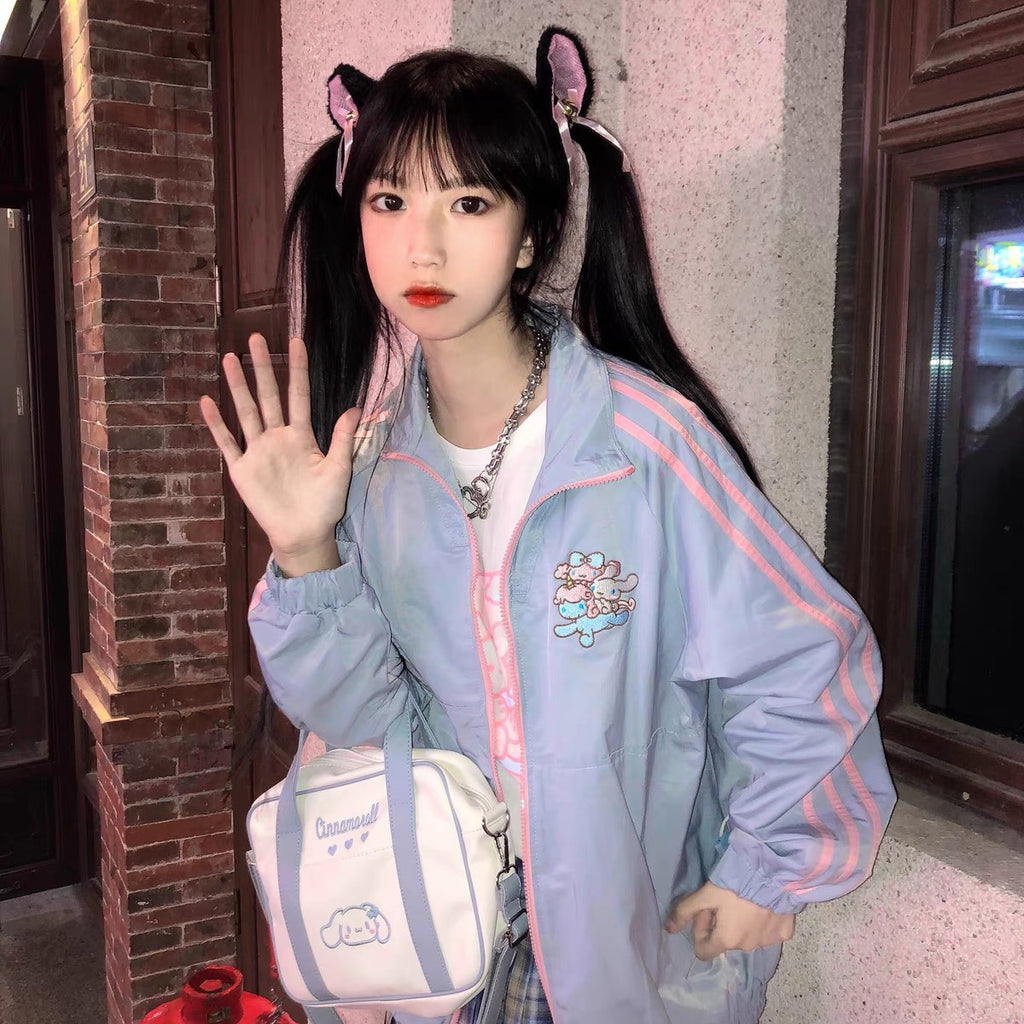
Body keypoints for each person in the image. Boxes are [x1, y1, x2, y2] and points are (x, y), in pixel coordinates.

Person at [200, 27, 896, 1024]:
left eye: (469, 203)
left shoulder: (643, 444)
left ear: (530, 236)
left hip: (622, 944)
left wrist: (764, 869)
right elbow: (360, 725)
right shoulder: (373, 466)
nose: (422, 244)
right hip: (448, 953)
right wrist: (308, 553)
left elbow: (799, 657)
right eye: (390, 202)